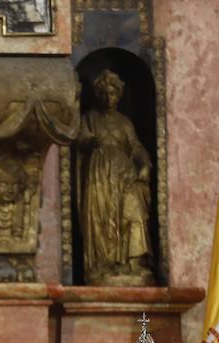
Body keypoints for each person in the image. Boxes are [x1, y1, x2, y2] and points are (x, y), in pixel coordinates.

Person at [78, 69, 154, 285]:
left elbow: (136, 147)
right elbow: (81, 140)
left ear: (119, 95)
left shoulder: (124, 122)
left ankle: (133, 261)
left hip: (123, 174)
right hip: (99, 175)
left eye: (112, 94)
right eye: (104, 94)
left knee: (132, 211)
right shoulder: (90, 118)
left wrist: (144, 164)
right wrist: (92, 142)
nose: (108, 98)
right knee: (101, 217)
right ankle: (102, 264)